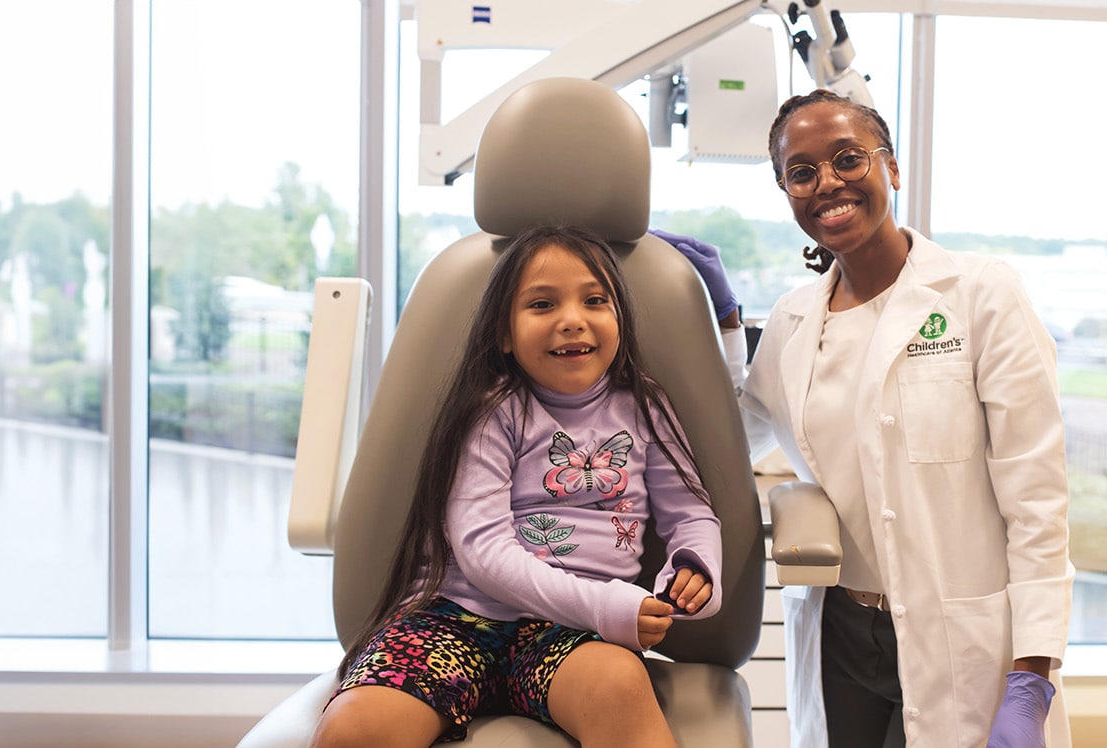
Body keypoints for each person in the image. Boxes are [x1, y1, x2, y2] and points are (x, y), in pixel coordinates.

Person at [662, 88, 1073, 748]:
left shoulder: (981, 295)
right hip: (841, 635)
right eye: (802, 172)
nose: (828, 183)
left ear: (893, 168)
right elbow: (730, 447)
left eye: (849, 158)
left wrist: (1033, 676)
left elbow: (1037, 503)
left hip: (962, 636)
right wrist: (728, 326)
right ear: (787, 191)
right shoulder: (796, 318)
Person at [308, 224, 724, 748]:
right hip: (455, 618)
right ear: (503, 334)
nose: (572, 321)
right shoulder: (493, 411)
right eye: (542, 305)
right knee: (356, 728)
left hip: (574, 636)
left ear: (619, 317)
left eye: (595, 300)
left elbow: (690, 513)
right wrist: (605, 606)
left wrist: (693, 564)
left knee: (618, 688)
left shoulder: (644, 407)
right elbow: (482, 551)